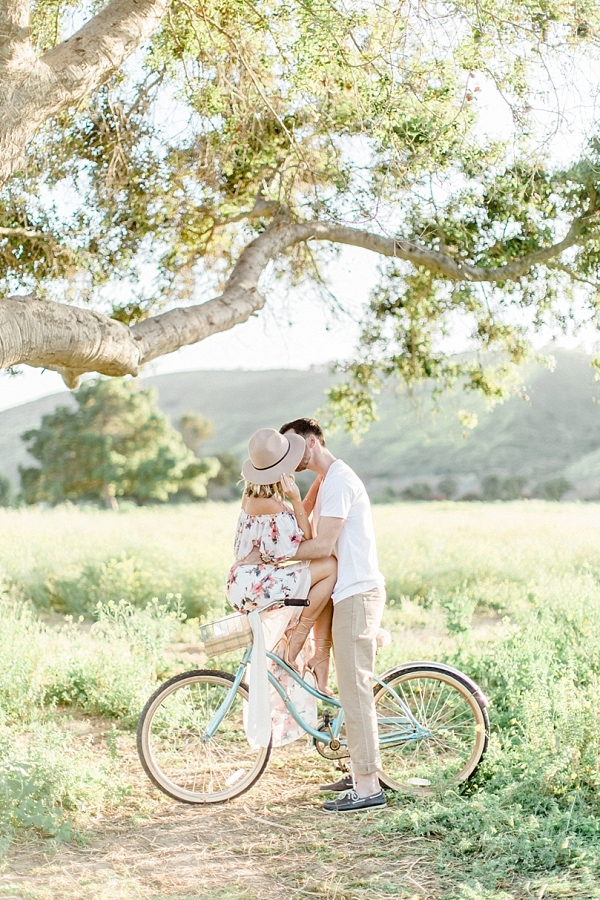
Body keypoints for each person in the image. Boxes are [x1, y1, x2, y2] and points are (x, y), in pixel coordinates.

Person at [279, 417, 387, 813]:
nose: (289, 459)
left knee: (355, 690)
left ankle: (368, 787)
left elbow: (321, 544)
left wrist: (275, 556)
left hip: (359, 592)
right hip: (347, 592)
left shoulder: (339, 480)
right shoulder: (324, 483)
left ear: (310, 444)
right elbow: (302, 529)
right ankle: (358, 769)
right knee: (347, 687)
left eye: (292, 450)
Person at [225, 428, 336, 696]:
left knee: (319, 576)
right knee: (330, 566)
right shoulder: (268, 503)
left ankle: (310, 649)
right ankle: (299, 637)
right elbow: (307, 539)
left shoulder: (258, 497)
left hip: (248, 580)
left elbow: (292, 527)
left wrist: (313, 487)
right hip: (254, 582)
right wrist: (297, 499)